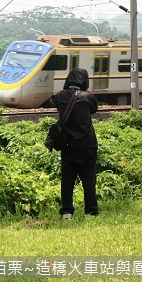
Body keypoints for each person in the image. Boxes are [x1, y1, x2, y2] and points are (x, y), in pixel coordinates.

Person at [55, 67, 99, 220]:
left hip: (68, 146)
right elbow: (93, 110)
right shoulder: (88, 97)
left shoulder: (60, 96)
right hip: (88, 145)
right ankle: (91, 212)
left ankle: (67, 212)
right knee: (88, 180)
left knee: (67, 180)